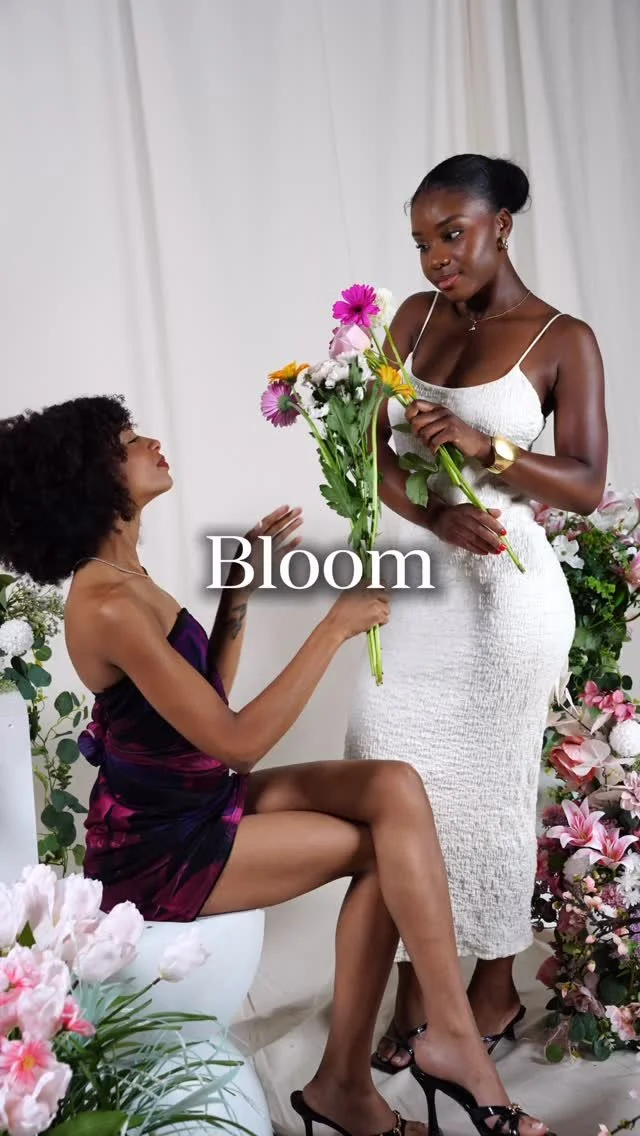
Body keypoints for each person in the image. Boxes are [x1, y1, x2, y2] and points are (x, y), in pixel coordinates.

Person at [0, 394, 555, 1136]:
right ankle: (370, 1078)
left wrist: (239, 588)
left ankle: (425, 1043)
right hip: (159, 846)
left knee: (393, 786)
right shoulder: (105, 604)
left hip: (199, 800)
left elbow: (204, 704)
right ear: (89, 480)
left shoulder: (125, 577)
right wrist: (332, 629)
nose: (151, 442)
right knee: (386, 848)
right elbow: (235, 742)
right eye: (128, 441)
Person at [344, 153, 608, 1074]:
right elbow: (368, 452)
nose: (434, 259)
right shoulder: (410, 321)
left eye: (451, 235)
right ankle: (421, 992)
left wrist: (489, 449)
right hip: (423, 584)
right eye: (422, 242)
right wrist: (431, 517)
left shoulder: (563, 339)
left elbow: (586, 483)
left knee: (488, 799)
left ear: (502, 225)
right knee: (388, 770)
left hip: (508, 598)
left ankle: (488, 989)